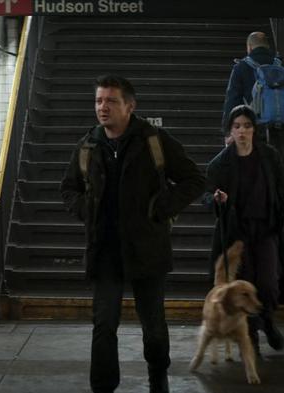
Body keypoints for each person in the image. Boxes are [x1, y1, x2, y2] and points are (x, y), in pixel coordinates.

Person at [60, 75, 205, 393]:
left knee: (153, 327)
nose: (102, 107)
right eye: (99, 101)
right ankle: (103, 387)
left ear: (130, 105)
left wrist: (162, 207)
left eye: (111, 101)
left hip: (146, 248)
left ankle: (158, 377)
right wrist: (88, 210)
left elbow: (194, 179)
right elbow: (69, 188)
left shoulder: (154, 140)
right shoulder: (89, 145)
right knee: (104, 326)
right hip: (105, 250)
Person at [205, 105, 284, 355]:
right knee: (243, 286)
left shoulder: (268, 155)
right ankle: (252, 334)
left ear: (254, 130)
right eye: (237, 127)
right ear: (230, 132)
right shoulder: (220, 164)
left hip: (266, 228)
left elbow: (283, 187)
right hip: (237, 234)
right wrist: (216, 198)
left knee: (268, 282)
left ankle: (267, 321)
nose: (242, 131)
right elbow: (206, 193)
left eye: (247, 126)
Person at [221, 31, 284, 165]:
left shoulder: (241, 67)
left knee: (254, 168)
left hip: (253, 127)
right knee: (277, 167)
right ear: (267, 46)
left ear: (249, 47)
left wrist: (228, 130)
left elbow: (232, 100)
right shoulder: (281, 66)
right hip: (280, 128)